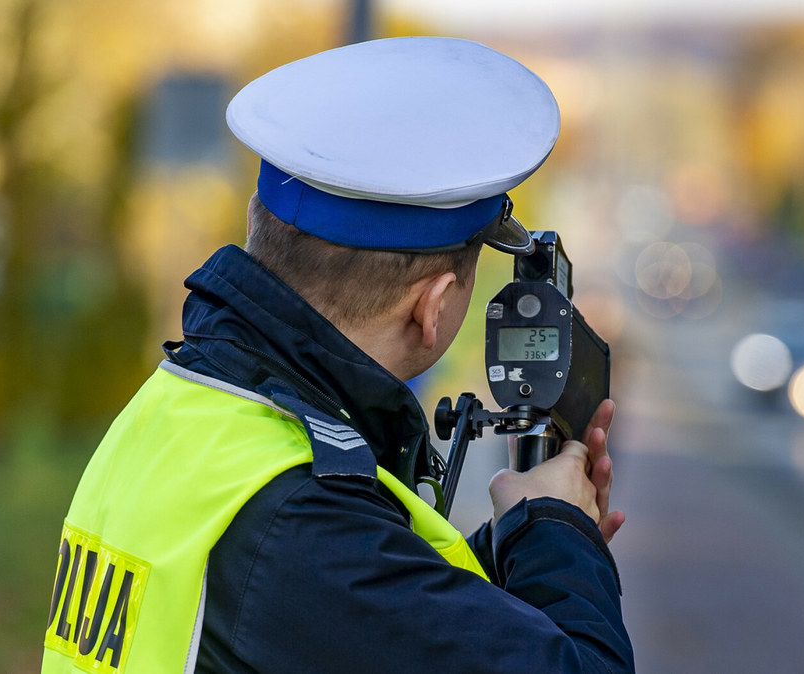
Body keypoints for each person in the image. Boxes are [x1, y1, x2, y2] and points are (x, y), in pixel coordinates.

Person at [41, 37, 632, 673]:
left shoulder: (178, 408)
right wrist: (557, 534)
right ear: (430, 307)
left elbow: (320, 620)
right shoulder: (304, 521)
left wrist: (525, 544)